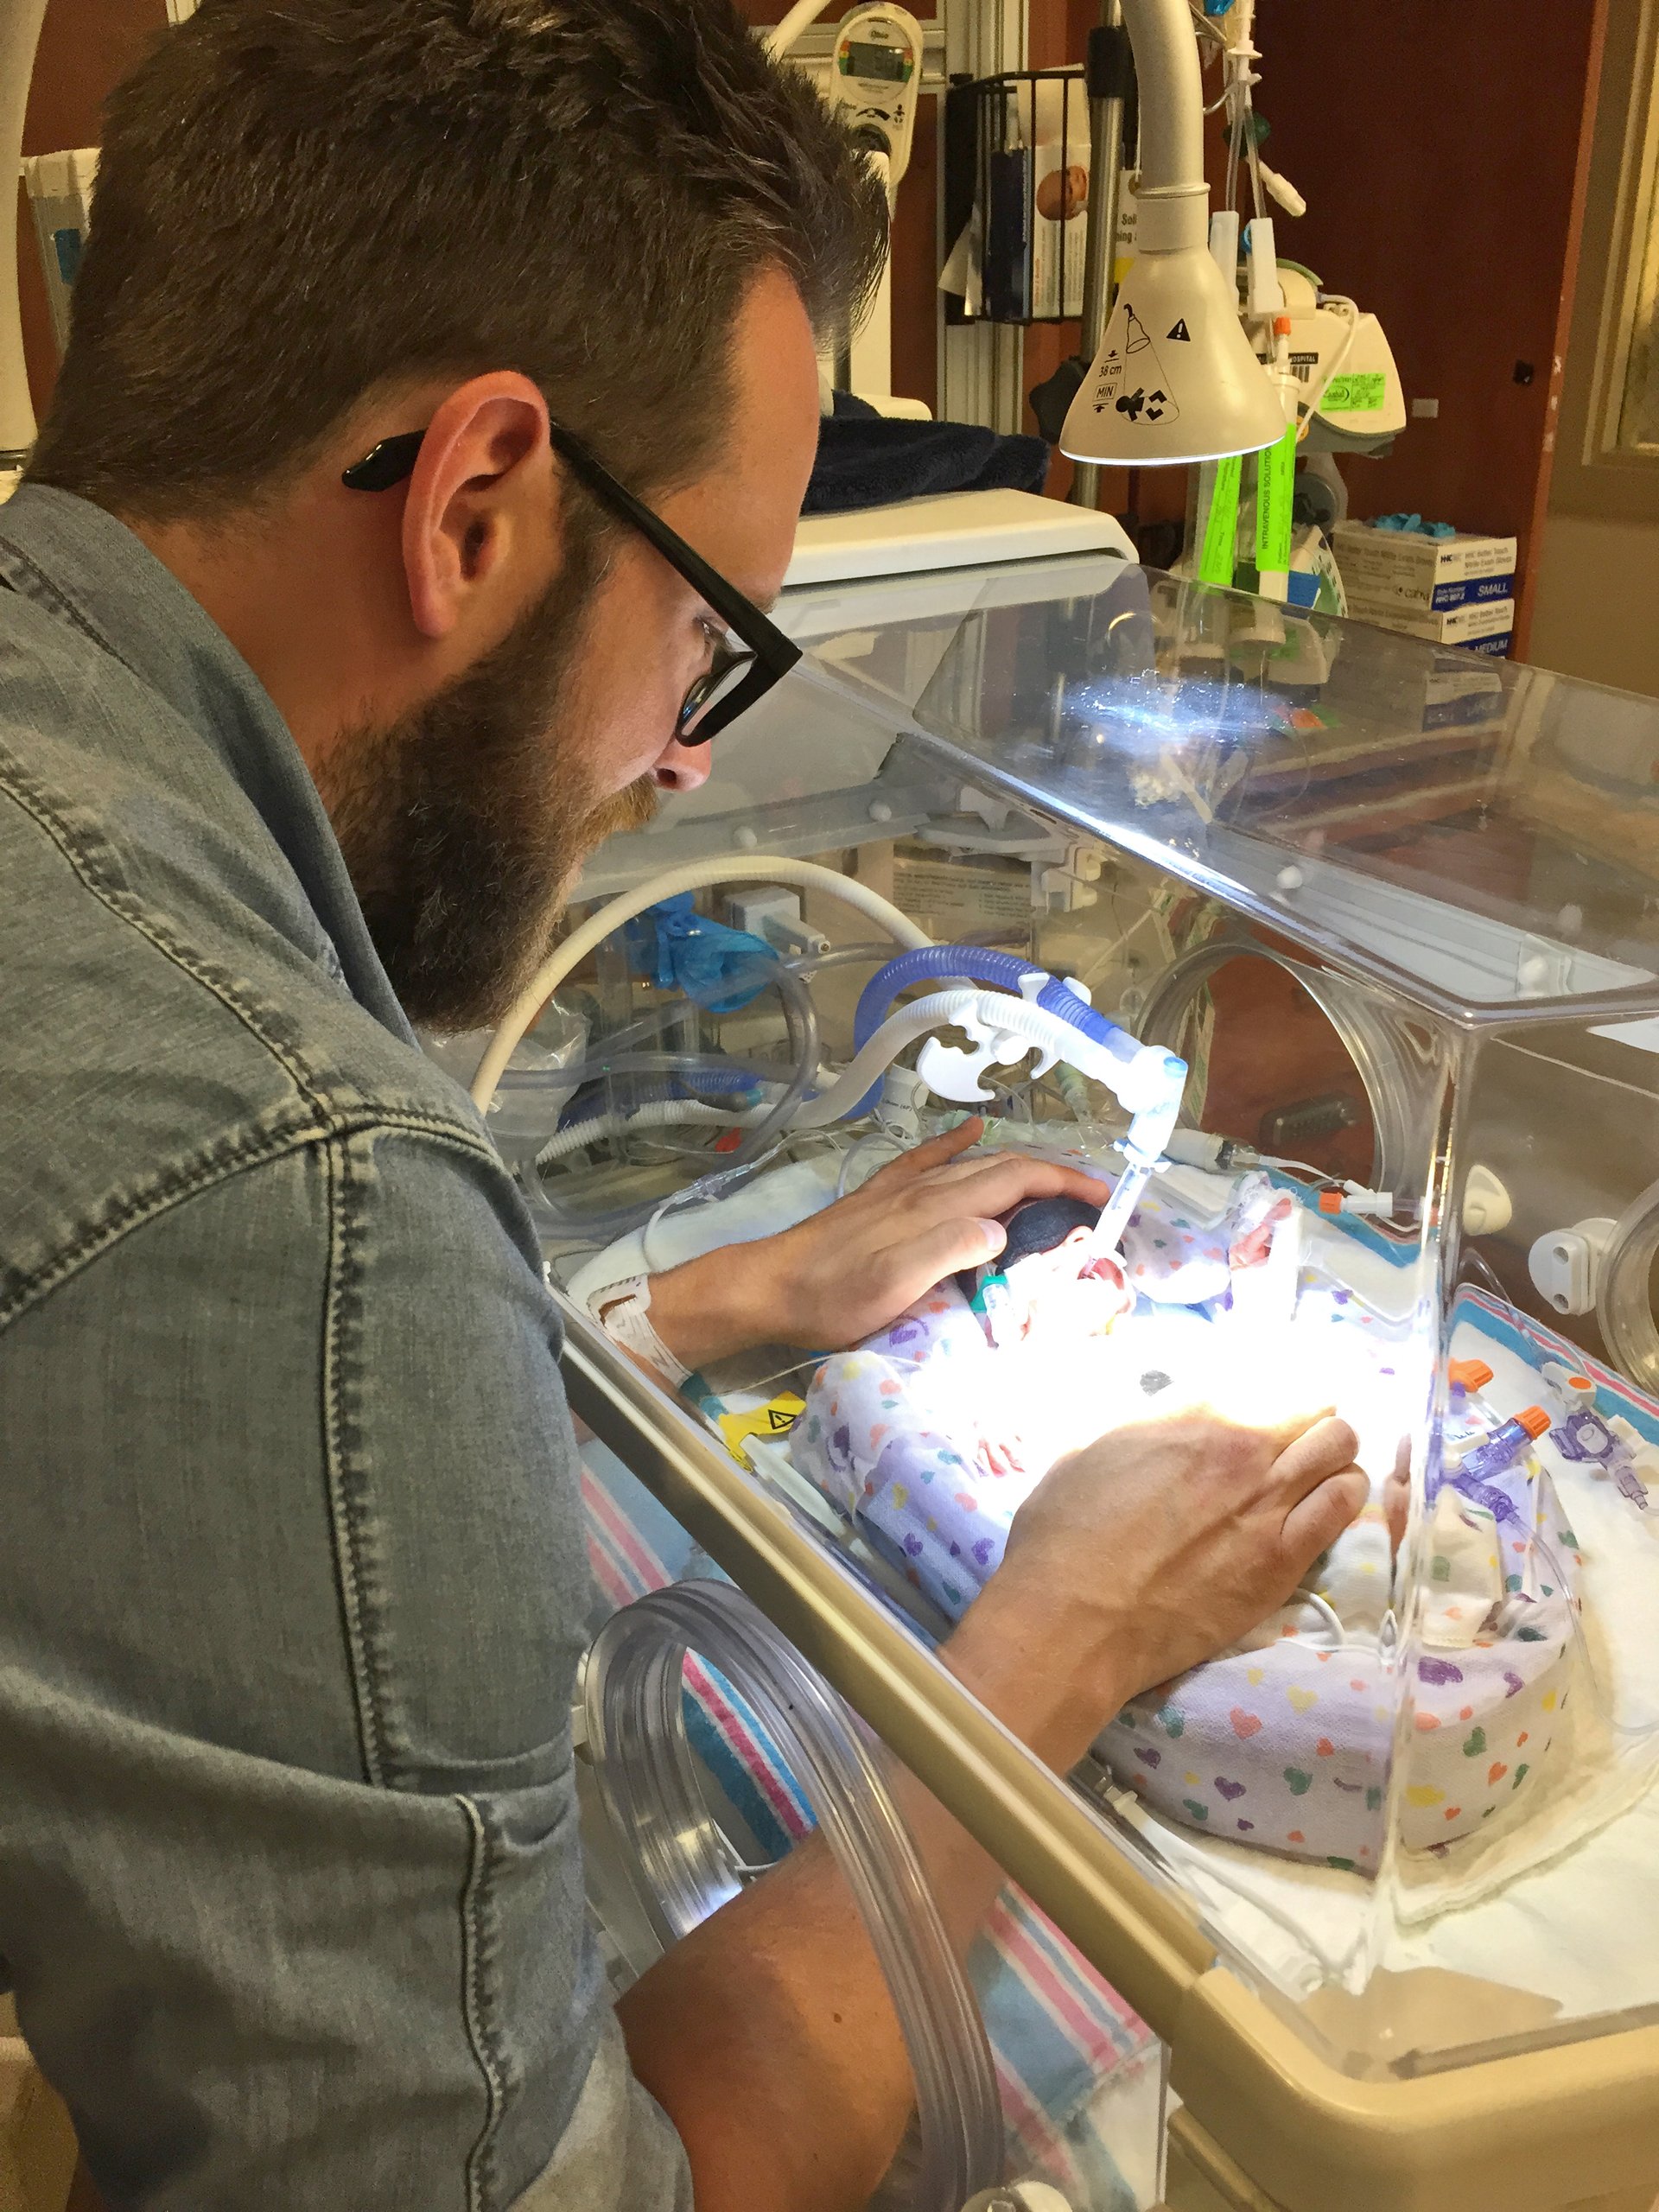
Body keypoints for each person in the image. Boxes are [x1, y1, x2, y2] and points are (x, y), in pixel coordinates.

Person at [0, 3, 1366, 2207]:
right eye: (712, 630)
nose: (686, 755)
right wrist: (1059, 1637)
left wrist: (708, 1300)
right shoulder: (285, 1187)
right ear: (472, 505)